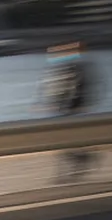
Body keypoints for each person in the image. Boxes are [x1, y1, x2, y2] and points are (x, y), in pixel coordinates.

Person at [39, 41, 96, 181]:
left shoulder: (75, 68)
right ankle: (78, 163)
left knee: (63, 142)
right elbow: (54, 89)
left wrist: (70, 105)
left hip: (70, 111)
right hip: (65, 110)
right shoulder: (66, 68)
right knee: (64, 142)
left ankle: (70, 170)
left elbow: (76, 89)